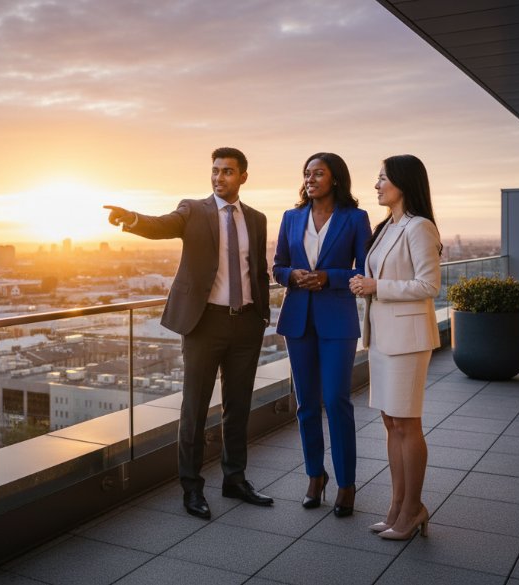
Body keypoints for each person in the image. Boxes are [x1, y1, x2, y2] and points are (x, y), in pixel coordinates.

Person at [104, 147, 273, 520]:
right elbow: (161, 224)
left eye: (227, 171)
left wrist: (261, 314)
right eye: (215, 171)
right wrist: (131, 218)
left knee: (238, 406)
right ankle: (192, 488)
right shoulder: (193, 210)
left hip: (246, 323)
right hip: (204, 323)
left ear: (243, 176)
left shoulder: (257, 219)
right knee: (194, 408)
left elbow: (257, 270)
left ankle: (235, 479)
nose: (219, 177)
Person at [273, 152, 370, 517]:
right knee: (306, 404)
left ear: (335, 179)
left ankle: (347, 483)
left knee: (337, 400)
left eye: (318, 173)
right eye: (307, 173)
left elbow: (364, 271)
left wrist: (330, 276)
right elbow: (278, 267)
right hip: (298, 320)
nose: (310, 178)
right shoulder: (291, 217)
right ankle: (315, 476)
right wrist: (293, 276)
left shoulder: (355, 218)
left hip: (337, 321)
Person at [349, 154, 441, 540]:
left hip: (407, 340)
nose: (376, 185)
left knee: (407, 423)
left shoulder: (420, 228)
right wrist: (364, 284)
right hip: (383, 337)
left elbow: (428, 286)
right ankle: (397, 505)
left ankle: (413, 508)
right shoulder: (387, 227)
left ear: (404, 182)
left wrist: (376, 287)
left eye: (383, 177)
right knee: (390, 423)